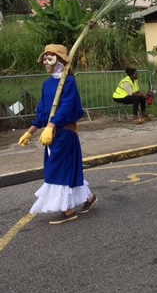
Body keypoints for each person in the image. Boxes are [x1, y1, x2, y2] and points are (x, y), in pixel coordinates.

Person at [17, 44, 98, 224]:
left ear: (60, 60)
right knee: (65, 170)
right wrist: (30, 132)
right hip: (51, 135)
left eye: (50, 59)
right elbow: (43, 112)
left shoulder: (68, 82)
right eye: (44, 59)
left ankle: (69, 211)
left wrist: (52, 126)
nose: (46, 63)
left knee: (58, 170)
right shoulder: (47, 84)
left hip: (64, 134)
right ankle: (90, 198)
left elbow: (67, 107)